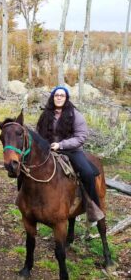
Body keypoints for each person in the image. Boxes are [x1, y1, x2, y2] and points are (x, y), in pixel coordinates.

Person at [36, 86, 102, 218]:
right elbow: (39, 133)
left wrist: (61, 145)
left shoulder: (75, 115)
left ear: (66, 98)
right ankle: (25, 201)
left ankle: (93, 207)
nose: (59, 97)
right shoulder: (45, 114)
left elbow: (81, 136)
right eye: (56, 95)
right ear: (53, 97)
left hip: (71, 150)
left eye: (62, 95)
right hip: (48, 151)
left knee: (88, 173)